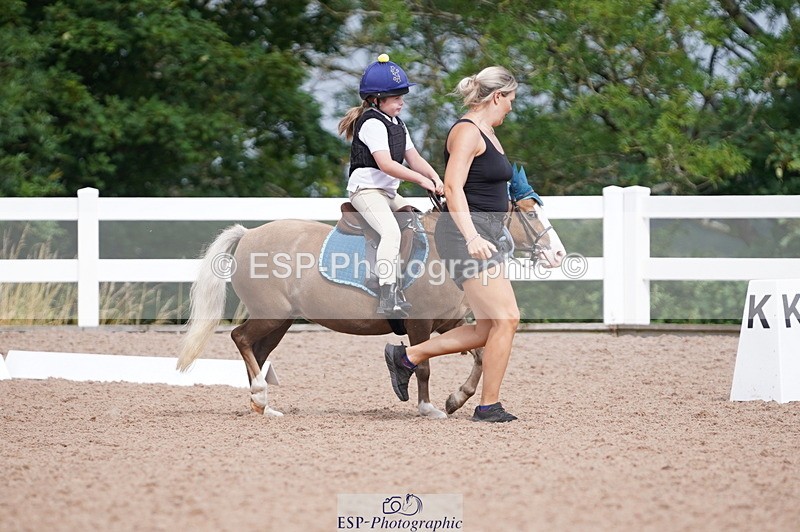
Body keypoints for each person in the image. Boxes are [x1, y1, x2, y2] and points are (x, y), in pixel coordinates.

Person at [383, 66, 521, 422]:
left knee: (489, 327)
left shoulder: (488, 132)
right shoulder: (466, 132)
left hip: (485, 235)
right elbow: (454, 186)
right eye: (510, 100)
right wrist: (472, 235)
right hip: (464, 234)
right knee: (507, 319)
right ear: (496, 96)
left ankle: (407, 357)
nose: (511, 107)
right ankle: (488, 405)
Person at [338, 54, 444, 318]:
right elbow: (385, 164)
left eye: (401, 97)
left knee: (418, 225)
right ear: (377, 99)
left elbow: (414, 158)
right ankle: (388, 294)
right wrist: (420, 180)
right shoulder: (372, 122)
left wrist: (435, 178)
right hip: (367, 192)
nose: (401, 102)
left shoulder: (398, 124)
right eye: (396, 98)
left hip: (387, 193)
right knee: (390, 232)